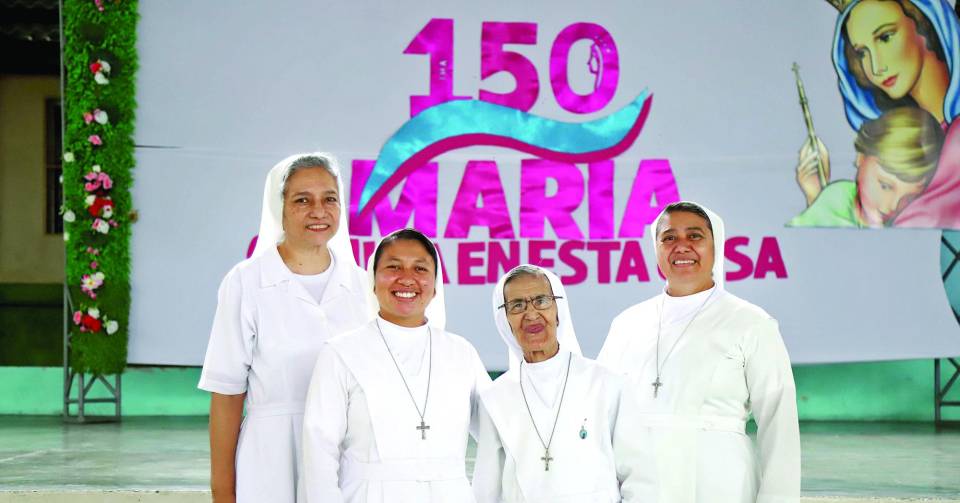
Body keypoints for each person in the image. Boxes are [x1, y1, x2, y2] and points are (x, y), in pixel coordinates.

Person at [598, 201, 800, 503]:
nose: (681, 246)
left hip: (720, 482)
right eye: (669, 237)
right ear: (656, 248)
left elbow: (778, 423)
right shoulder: (626, 324)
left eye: (694, 236)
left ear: (715, 245)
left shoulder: (751, 322)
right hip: (640, 482)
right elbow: (600, 411)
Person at [198, 153, 371, 502]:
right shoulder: (246, 282)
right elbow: (227, 395)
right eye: (302, 200)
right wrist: (222, 491)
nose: (318, 211)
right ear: (279, 207)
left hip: (348, 460)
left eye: (329, 199)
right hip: (270, 459)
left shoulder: (363, 285)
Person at [301, 228, 491, 503]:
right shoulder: (341, 353)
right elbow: (318, 450)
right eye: (393, 267)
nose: (407, 278)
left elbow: (497, 434)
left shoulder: (461, 353)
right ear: (373, 281)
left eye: (420, 268)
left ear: (435, 285)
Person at [472, 265, 629, 503]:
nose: (531, 314)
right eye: (517, 305)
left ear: (558, 310)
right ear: (505, 320)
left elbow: (635, 474)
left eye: (541, 301)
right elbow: (486, 488)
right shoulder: (495, 397)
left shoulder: (606, 382)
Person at [818, 0, 960, 228]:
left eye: (885, 37)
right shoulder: (887, 138)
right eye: (862, 53)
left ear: (924, 22)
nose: (876, 68)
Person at [792, 106, 945, 227]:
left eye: (909, 198)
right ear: (861, 157)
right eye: (885, 186)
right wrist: (815, 197)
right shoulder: (836, 197)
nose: (891, 207)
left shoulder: (910, 221)